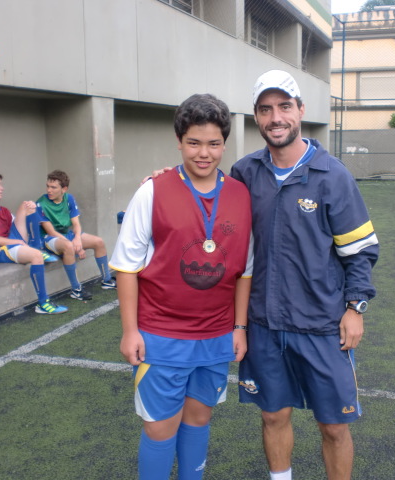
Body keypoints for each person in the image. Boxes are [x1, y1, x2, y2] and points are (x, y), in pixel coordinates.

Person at [232, 70, 379, 480]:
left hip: (321, 325)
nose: (275, 117)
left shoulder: (333, 176)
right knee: (273, 416)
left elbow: (360, 251)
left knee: (334, 427)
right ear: (256, 117)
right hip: (264, 323)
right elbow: (208, 202)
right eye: (265, 109)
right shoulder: (244, 173)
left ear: (300, 110)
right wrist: (164, 181)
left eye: (284, 107)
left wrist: (355, 307)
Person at [110, 93, 253, 480]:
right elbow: (126, 267)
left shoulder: (241, 195)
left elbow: (245, 271)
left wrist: (239, 327)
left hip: (216, 335)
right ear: (178, 141)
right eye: (194, 143)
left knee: (199, 418)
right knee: (160, 427)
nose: (204, 153)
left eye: (213, 143)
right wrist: (130, 331)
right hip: (161, 335)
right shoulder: (152, 191)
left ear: (225, 143)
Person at [0, 172, 68, 315]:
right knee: (36, 256)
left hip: (14, 242)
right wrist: (16, 241)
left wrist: (32, 210)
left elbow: (21, 225)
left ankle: (37, 248)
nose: (2, 188)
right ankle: (43, 303)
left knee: (28, 205)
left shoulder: (3, 210)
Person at [36, 169, 116, 302]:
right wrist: (76, 247)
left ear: (64, 189)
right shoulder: (41, 203)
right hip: (48, 239)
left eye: (53, 187)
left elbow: (76, 224)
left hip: (66, 234)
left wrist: (77, 239)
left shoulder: (69, 198)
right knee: (68, 246)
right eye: (48, 186)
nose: (49, 190)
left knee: (98, 242)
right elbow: (51, 232)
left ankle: (107, 280)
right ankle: (76, 289)